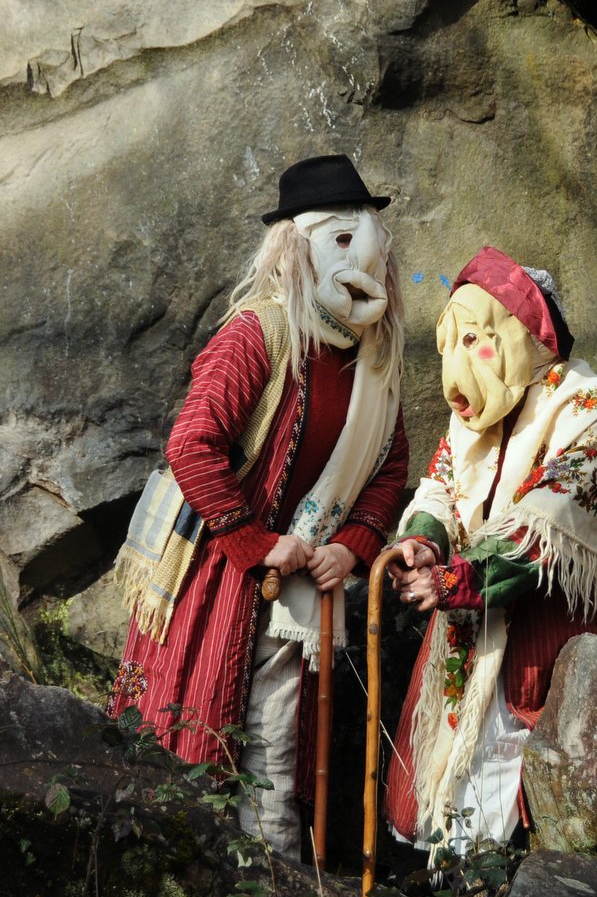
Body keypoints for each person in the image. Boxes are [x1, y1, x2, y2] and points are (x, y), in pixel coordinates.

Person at [107, 154, 409, 859]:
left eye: (365, 239)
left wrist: (353, 546)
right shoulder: (258, 333)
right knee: (190, 723)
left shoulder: (377, 359)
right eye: (339, 239)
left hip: (300, 587)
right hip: (215, 570)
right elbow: (193, 445)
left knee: (275, 743)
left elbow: (389, 466)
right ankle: (168, 878)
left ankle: (271, 886)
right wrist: (254, 541)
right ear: (296, 248)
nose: (360, 259)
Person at [384, 246, 597, 858]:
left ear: (523, 335)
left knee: (516, 770)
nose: (458, 369)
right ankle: (445, 881)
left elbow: (546, 527)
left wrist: (451, 582)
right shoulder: (478, 414)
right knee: (435, 769)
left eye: (476, 341)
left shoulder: (593, 408)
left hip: (550, 626)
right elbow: (441, 485)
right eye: (453, 344)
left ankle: (495, 885)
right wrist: (422, 542)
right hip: (472, 612)